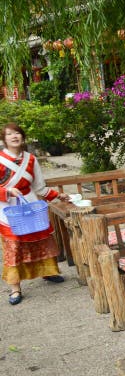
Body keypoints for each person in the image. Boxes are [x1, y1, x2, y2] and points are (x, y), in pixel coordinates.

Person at [0, 123, 69, 305]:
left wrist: (58, 195)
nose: (14, 136)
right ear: (4, 139)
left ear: (22, 137)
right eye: (9, 134)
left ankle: (48, 272)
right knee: (14, 246)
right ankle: (15, 288)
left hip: (30, 204)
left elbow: (39, 187)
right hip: (8, 210)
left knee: (40, 239)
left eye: (17, 133)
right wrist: (7, 192)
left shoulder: (30, 159)